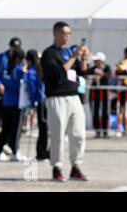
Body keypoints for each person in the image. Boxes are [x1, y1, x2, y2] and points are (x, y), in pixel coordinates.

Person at [41, 22, 90, 182]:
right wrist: (74, 56)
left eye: (68, 33)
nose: (66, 36)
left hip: (74, 96)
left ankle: (76, 166)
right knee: (58, 135)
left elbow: (82, 72)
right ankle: (57, 167)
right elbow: (59, 73)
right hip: (56, 97)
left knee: (78, 134)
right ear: (55, 34)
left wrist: (83, 58)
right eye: (63, 33)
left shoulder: (70, 51)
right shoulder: (49, 54)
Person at [0, 47, 27, 162]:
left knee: (5, 128)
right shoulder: (19, 70)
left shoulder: (6, 69)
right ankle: (14, 151)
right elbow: (23, 84)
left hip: (6, 102)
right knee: (16, 129)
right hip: (17, 103)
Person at [0, 37, 22, 135]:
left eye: (16, 48)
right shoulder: (2, 58)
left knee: (15, 119)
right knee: (3, 113)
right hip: (4, 90)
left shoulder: (20, 59)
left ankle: (12, 141)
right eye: (13, 48)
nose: (14, 50)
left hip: (16, 92)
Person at [24, 50, 49, 161]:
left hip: (39, 101)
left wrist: (32, 101)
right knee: (44, 128)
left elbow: (32, 89)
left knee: (42, 127)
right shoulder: (40, 69)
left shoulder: (31, 72)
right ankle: (43, 151)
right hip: (45, 100)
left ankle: (41, 152)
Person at [88, 52, 112, 138]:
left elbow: (109, 74)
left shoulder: (107, 67)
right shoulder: (93, 68)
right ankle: (97, 130)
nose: (95, 62)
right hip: (95, 93)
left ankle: (105, 131)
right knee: (95, 111)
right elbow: (87, 72)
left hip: (104, 92)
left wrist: (100, 74)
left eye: (97, 60)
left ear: (101, 61)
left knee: (105, 111)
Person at [115, 47, 127, 136]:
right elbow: (117, 71)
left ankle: (126, 127)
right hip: (122, 90)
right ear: (125, 54)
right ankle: (119, 128)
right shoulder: (120, 63)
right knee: (120, 110)